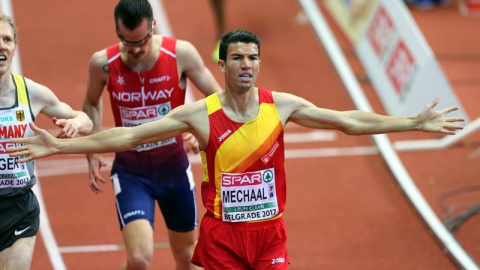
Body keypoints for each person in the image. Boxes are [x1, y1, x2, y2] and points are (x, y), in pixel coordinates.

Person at [10, 30, 465, 269]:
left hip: (270, 234)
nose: (246, 65)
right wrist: (61, 148)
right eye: (238, 58)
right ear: (222, 64)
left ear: (258, 63)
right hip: (223, 237)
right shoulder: (199, 113)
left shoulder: (281, 106)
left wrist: (412, 122)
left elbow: (347, 121)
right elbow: (128, 136)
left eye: (253, 58)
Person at [82, 0, 221, 269]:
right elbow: (91, 102)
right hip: (131, 174)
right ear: (117, 32)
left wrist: (201, 130)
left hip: (174, 171)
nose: (136, 50)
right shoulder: (103, 63)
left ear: (153, 26)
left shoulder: (181, 54)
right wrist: (92, 150)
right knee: (139, 259)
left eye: (143, 41)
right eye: (128, 42)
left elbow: (216, 98)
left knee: (188, 257)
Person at [0, 13, 92, 270]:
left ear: (15, 47)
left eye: (7, 39)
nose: (1, 46)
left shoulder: (30, 92)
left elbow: (86, 119)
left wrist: (76, 124)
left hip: (19, 208)